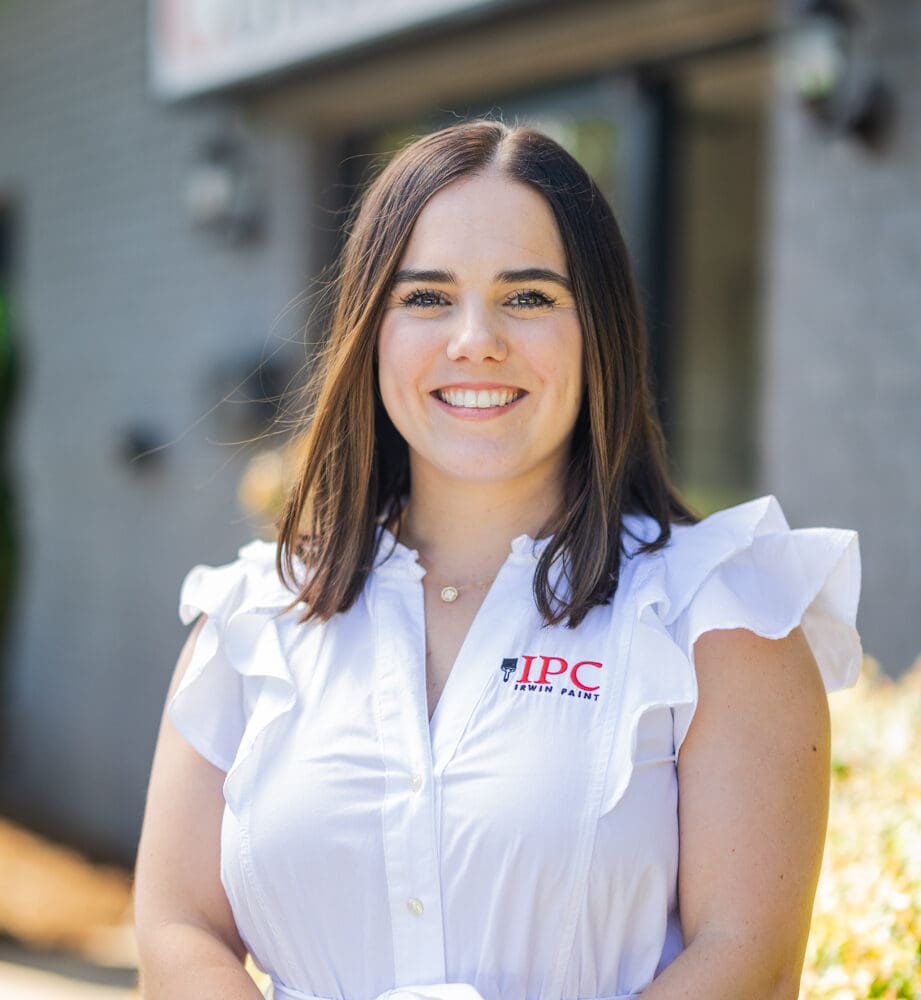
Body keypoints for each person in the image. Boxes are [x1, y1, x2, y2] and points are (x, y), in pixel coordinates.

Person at [134, 120, 861, 1000]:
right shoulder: (254, 616)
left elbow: (748, 958)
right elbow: (177, 929)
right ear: (371, 331)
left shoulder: (720, 613)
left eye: (528, 298)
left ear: (599, 330)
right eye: (427, 298)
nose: (474, 339)